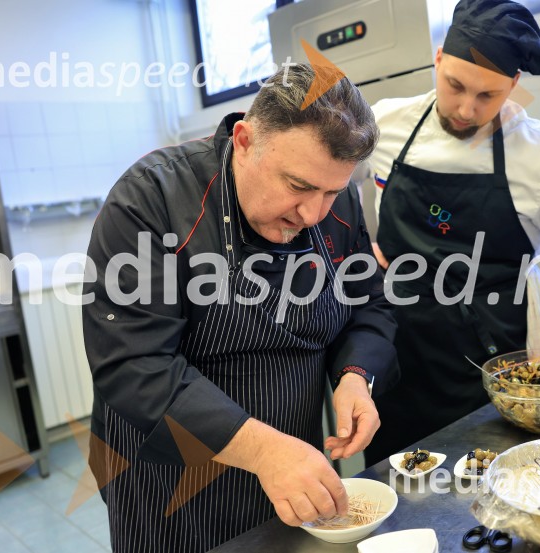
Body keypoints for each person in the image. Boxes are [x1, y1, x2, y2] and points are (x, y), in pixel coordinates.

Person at [82, 64, 398, 553]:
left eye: (331, 191)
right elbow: (134, 364)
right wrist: (264, 451)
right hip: (170, 484)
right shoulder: (152, 199)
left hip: (296, 464)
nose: (313, 213)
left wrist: (356, 375)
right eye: (297, 186)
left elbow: (368, 305)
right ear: (245, 141)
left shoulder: (337, 206)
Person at [363, 0, 540, 465]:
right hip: (396, 353)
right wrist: (358, 253)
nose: (466, 109)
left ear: (514, 86)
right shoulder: (384, 125)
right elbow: (323, 194)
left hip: (494, 367)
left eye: (489, 96)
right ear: (438, 58)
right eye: (455, 86)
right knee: (396, 484)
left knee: (493, 492)